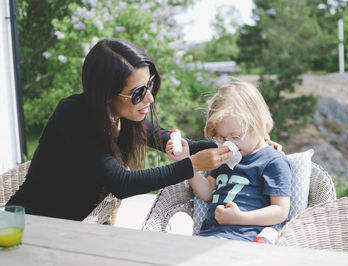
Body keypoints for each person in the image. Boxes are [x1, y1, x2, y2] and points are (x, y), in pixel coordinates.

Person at [6, 38, 233, 221]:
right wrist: (192, 166)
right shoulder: (73, 114)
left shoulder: (126, 116)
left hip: (75, 225)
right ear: (106, 95)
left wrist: (244, 146)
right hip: (32, 223)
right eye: (137, 93)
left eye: (149, 85)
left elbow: (181, 145)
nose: (150, 98)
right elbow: (122, 183)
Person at [166, 80, 292, 242]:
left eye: (235, 136)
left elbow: (280, 211)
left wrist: (240, 218)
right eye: (223, 137)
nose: (229, 143)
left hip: (245, 237)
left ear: (258, 125)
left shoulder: (272, 161)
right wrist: (185, 162)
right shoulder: (223, 156)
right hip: (210, 235)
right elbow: (208, 193)